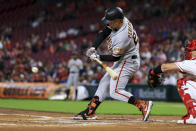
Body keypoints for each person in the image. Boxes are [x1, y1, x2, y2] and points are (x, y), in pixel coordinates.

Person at [73, 7, 153, 121]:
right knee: (103, 83)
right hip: (124, 59)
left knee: (115, 91)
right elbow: (105, 31)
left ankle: (143, 105)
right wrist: (93, 47)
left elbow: (115, 57)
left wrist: (98, 56)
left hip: (128, 62)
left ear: (118, 20)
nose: (108, 23)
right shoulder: (121, 20)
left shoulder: (123, 36)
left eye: (110, 21)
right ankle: (90, 112)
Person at [148, 39, 196, 124]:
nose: (188, 52)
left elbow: (164, 67)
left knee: (182, 82)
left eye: (190, 50)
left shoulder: (192, 62)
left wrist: (153, 72)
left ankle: (194, 115)